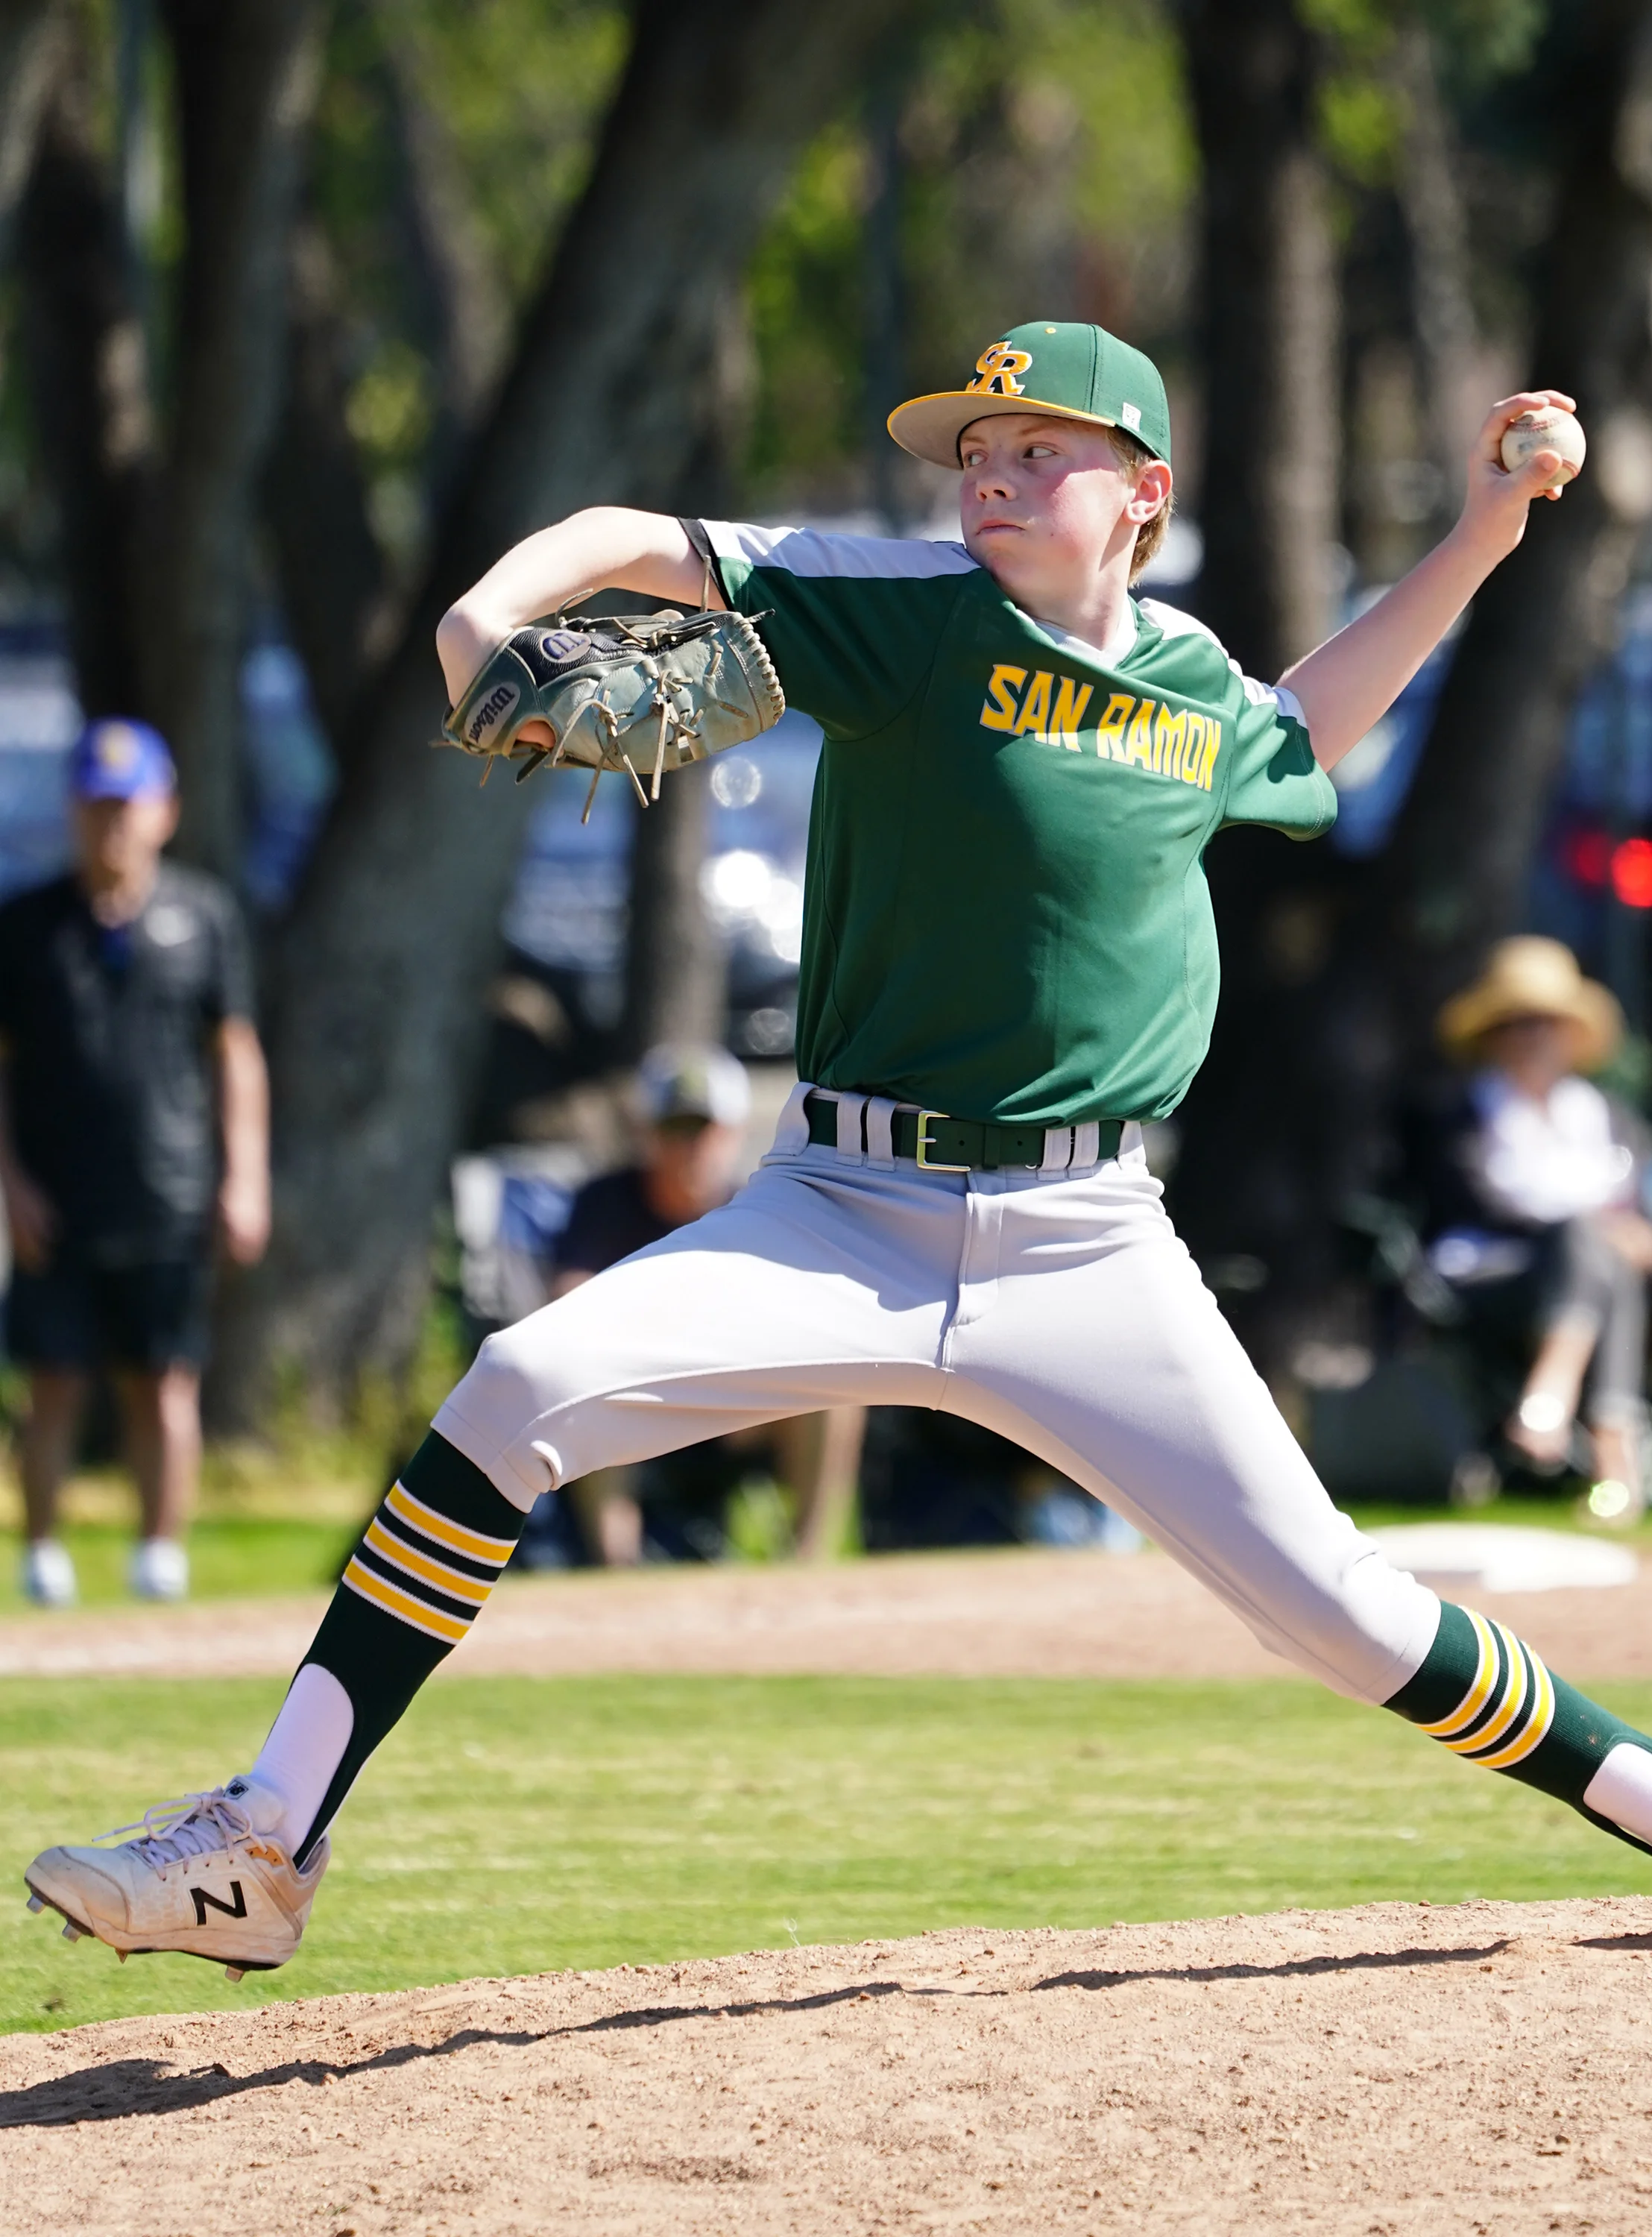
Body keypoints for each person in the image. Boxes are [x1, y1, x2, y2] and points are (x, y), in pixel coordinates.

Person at [26, 324, 1652, 1986]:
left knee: (1342, 1613)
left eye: (1039, 451)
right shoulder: (908, 611)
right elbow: (631, 538)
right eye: (975, 454)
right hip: (845, 1209)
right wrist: (475, 624)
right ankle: (265, 1840)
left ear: (1144, 491)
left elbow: (1304, 732)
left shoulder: (1185, 682)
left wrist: (1482, 533)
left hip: (1088, 1240)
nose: (991, 478)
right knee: (514, 1389)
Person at [0, 719, 268, 1607]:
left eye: (128, 805)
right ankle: (43, 1554)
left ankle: (159, 1554)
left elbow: (234, 1053)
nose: (111, 823)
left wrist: (244, 1176)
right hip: (56, 1199)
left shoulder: (202, 918)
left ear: (164, 812)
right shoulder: (26, 927)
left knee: (163, 1381)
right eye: (97, 805)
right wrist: (11, 1184)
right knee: (55, 1382)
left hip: (169, 1192)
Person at [548, 1042, 863, 1565]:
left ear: (732, 1135)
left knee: (838, 1389)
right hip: (639, 1400)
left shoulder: (760, 1207)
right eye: (676, 1129)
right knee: (584, 1386)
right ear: (648, 1134)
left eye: (704, 1130)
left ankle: (808, 1563)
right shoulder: (605, 1203)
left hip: (735, 1405)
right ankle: (617, 1570)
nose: (690, 1146)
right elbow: (568, 1300)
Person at [1424, 936, 1652, 1516]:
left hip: (1596, 1274)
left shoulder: (1608, 1115)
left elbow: (1634, 1203)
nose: (1531, 1036)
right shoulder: (1459, 1114)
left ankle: (1555, 1408)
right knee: (1588, 1243)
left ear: (1570, 1033)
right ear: (1492, 1035)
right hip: (1489, 1275)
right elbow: (1485, 1203)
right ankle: (1611, 1455)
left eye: (1545, 1022)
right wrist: (1599, 1228)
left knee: (1605, 1263)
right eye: (1516, 1023)